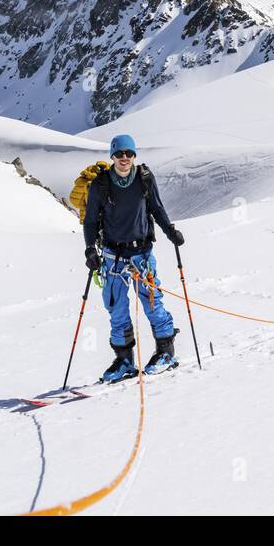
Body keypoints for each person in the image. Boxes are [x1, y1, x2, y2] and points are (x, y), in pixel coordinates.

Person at [83, 134, 185, 381]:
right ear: (112, 156)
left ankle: (166, 353)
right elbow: (89, 220)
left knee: (151, 301)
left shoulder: (144, 179)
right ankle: (124, 361)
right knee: (116, 306)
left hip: (141, 253)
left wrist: (170, 231)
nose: (124, 158)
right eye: (119, 154)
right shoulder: (100, 184)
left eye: (129, 153)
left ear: (134, 155)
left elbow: (156, 208)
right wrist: (89, 250)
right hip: (112, 255)